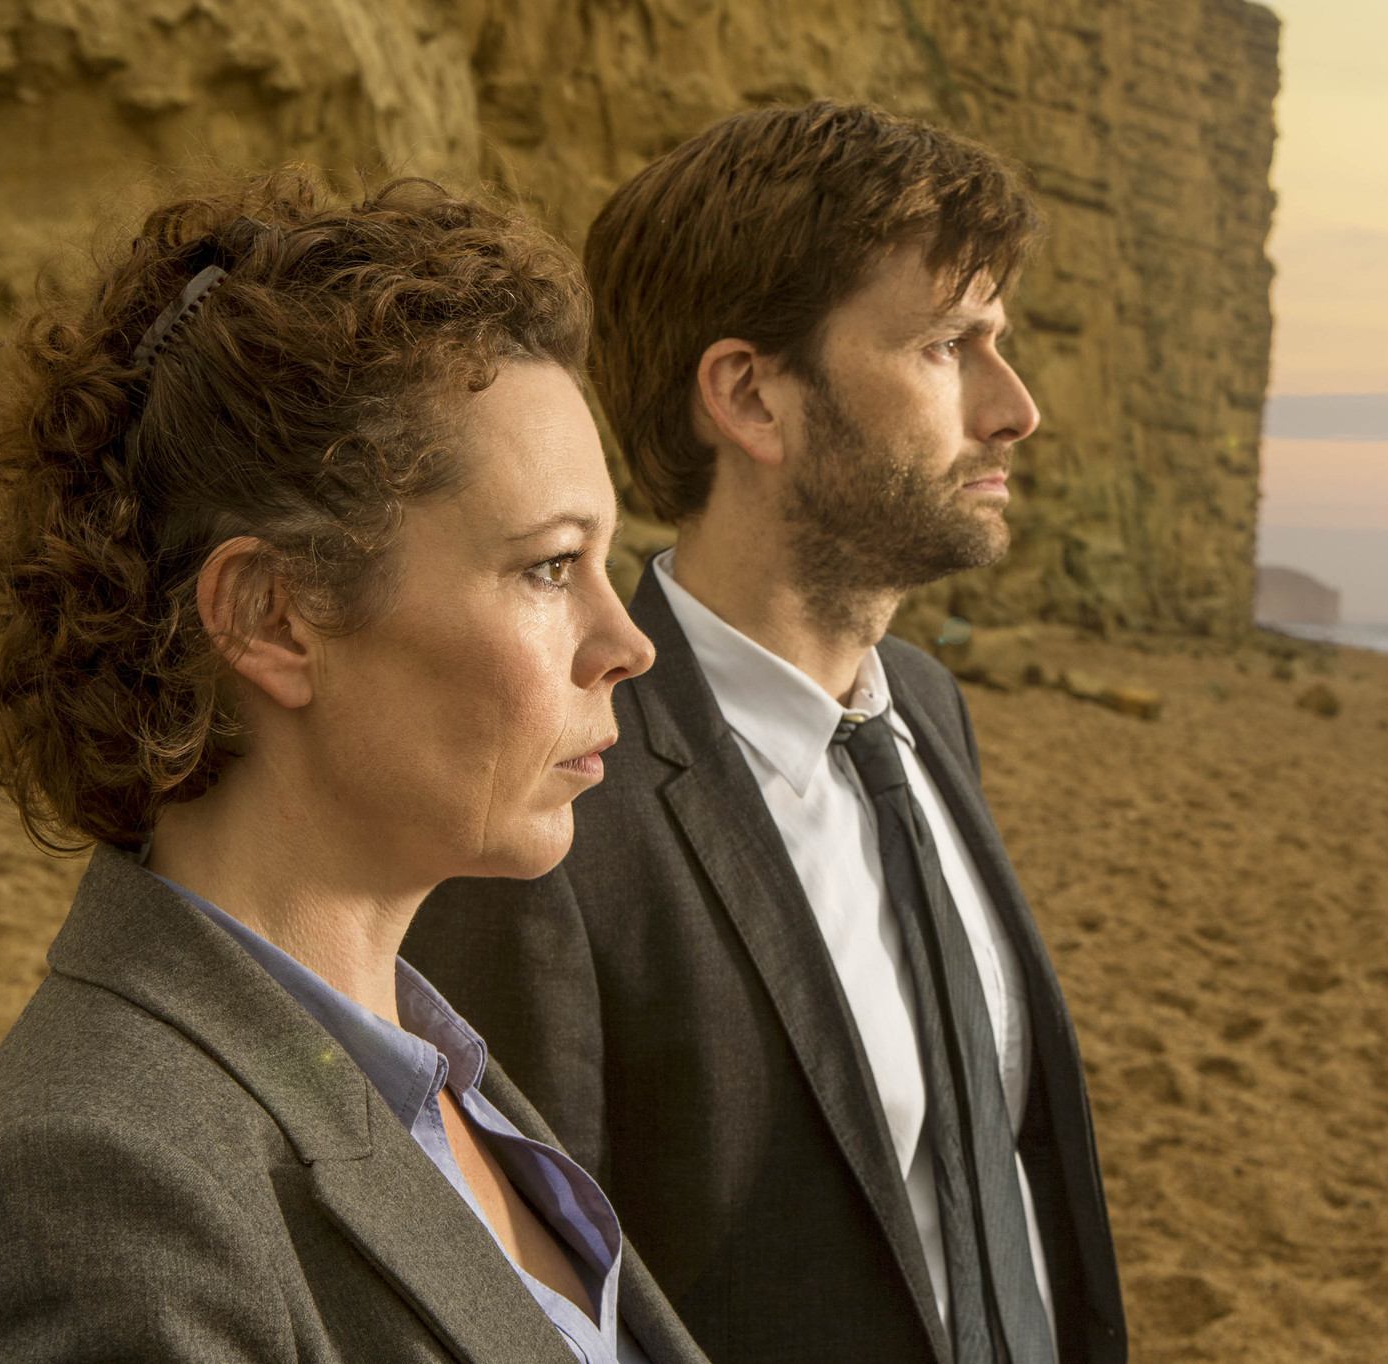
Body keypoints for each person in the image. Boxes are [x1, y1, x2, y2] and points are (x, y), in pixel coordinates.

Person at [0, 170, 707, 1364]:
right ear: (272, 616)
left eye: (606, 561)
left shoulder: (442, 1083)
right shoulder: (91, 1197)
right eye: (546, 566)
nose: (627, 645)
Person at [406, 102, 1125, 1364]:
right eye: (950, 345)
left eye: (997, 342)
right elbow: (524, 1314)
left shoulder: (925, 713)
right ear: (751, 395)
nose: (1013, 409)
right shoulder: (559, 793)